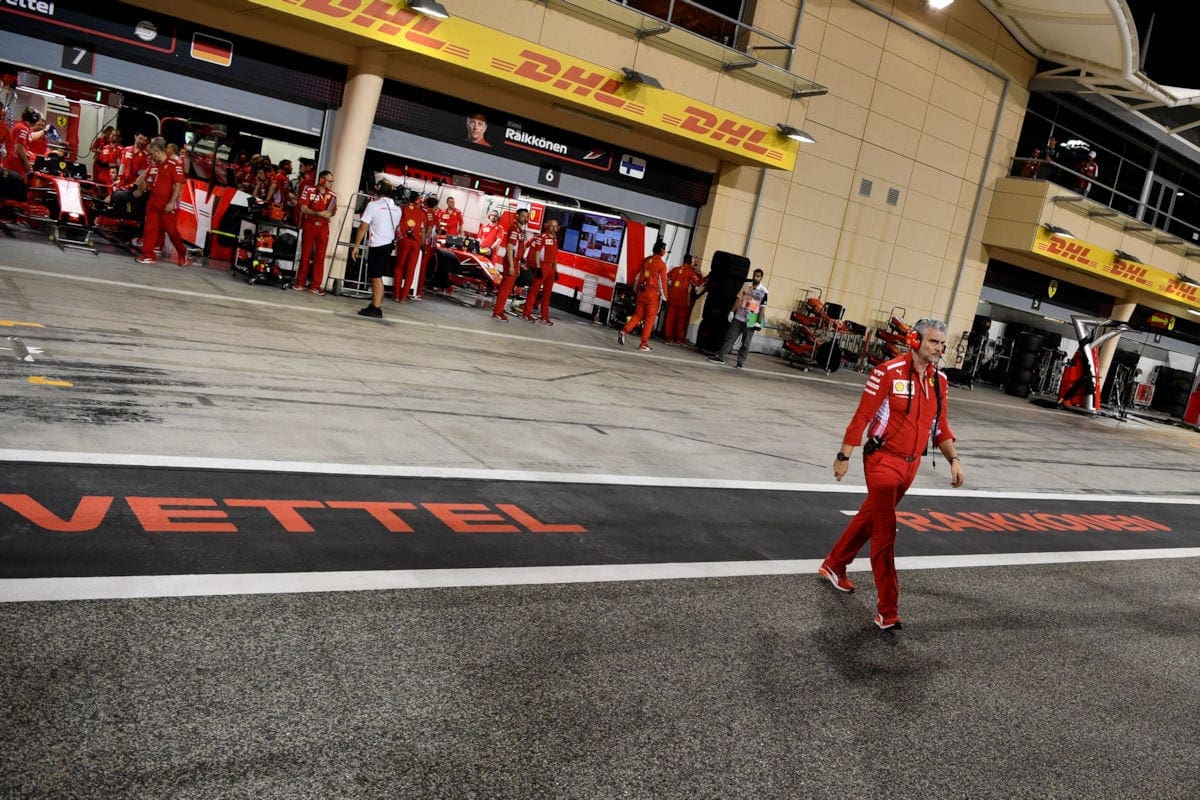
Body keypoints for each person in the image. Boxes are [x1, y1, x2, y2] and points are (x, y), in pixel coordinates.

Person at [818, 318, 965, 631]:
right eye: (933, 342)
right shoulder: (886, 372)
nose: (939, 348)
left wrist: (954, 459)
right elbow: (862, 417)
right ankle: (888, 609)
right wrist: (844, 455)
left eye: (942, 343)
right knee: (885, 531)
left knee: (870, 516)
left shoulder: (940, 381)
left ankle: (834, 563)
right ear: (915, 341)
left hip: (912, 465)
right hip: (882, 461)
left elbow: (940, 426)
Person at [133, 136, 190, 267]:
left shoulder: (174, 165)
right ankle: (148, 255)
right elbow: (146, 182)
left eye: (152, 154)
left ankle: (182, 252)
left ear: (158, 152)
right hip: (153, 202)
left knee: (171, 231)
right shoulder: (153, 165)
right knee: (150, 229)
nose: (151, 157)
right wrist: (139, 191)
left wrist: (171, 202)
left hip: (167, 205)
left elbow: (178, 185)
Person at [350, 182, 399, 318]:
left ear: (377, 191)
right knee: (378, 277)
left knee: (375, 278)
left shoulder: (373, 206)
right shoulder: (397, 209)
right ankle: (374, 305)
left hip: (377, 245)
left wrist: (356, 246)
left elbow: (363, 227)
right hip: (388, 245)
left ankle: (376, 308)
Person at [709, 268, 768, 368]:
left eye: (758, 276)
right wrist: (732, 311)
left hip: (752, 318)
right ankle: (721, 357)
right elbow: (738, 299)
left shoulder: (764, 291)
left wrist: (758, 322)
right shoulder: (746, 286)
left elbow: (762, 308)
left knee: (746, 342)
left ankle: (740, 362)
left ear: (761, 278)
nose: (755, 277)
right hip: (739, 315)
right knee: (730, 337)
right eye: (754, 275)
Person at [618, 240, 669, 351]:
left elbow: (638, 276)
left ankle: (624, 331)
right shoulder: (661, 265)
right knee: (650, 319)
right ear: (661, 250)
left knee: (638, 315)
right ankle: (643, 343)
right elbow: (662, 283)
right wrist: (665, 299)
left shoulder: (646, 260)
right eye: (664, 249)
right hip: (652, 296)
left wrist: (636, 289)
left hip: (641, 292)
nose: (665, 251)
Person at [293, 169, 337, 294]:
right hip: (310, 224)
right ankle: (300, 282)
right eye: (329, 181)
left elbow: (334, 211)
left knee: (320, 256)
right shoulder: (309, 190)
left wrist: (330, 213)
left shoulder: (332, 195)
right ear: (322, 180)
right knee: (305, 254)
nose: (331, 184)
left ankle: (316, 285)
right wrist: (319, 213)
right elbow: (303, 208)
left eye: (332, 182)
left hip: (323, 227)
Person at [492, 207, 529, 320]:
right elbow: (509, 247)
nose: (525, 218)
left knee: (508, 289)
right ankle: (497, 312)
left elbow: (520, 248)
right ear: (517, 216)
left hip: (515, 261)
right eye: (523, 216)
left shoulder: (520, 230)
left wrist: (519, 263)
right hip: (511, 261)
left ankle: (499, 310)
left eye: (527, 217)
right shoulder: (514, 229)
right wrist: (512, 265)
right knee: (505, 288)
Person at [522, 217, 560, 324]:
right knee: (534, 290)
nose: (553, 227)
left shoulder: (555, 239)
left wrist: (556, 271)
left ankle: (544, 317)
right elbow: (537, 253)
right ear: (548, 226)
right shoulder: (542, 237)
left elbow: (555, 257)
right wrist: (538, 268)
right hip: (543, 266)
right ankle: (526, 314)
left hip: (551, 268)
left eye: (555, 226)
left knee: (547, 294)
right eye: (552, 225)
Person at [664, 254, 705, 345]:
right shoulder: (690, 272)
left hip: (672, 298)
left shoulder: (675, 269)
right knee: (681, 321)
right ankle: (678, 340)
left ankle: (668, 338)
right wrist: (703, 276)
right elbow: (698, 283)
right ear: (690, 262)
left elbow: (665, 277)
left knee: (669, 319)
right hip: (683, 300)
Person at [393, 192, 427, 302]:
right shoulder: (422, 213)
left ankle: (396, 295)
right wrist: (422, 245)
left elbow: (397, 225)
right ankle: (403, 297)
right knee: (410, 270)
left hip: (404, 240)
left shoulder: (403, 209)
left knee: (399, 267)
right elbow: (423, 230)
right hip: (416, 242)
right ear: (418, 200)